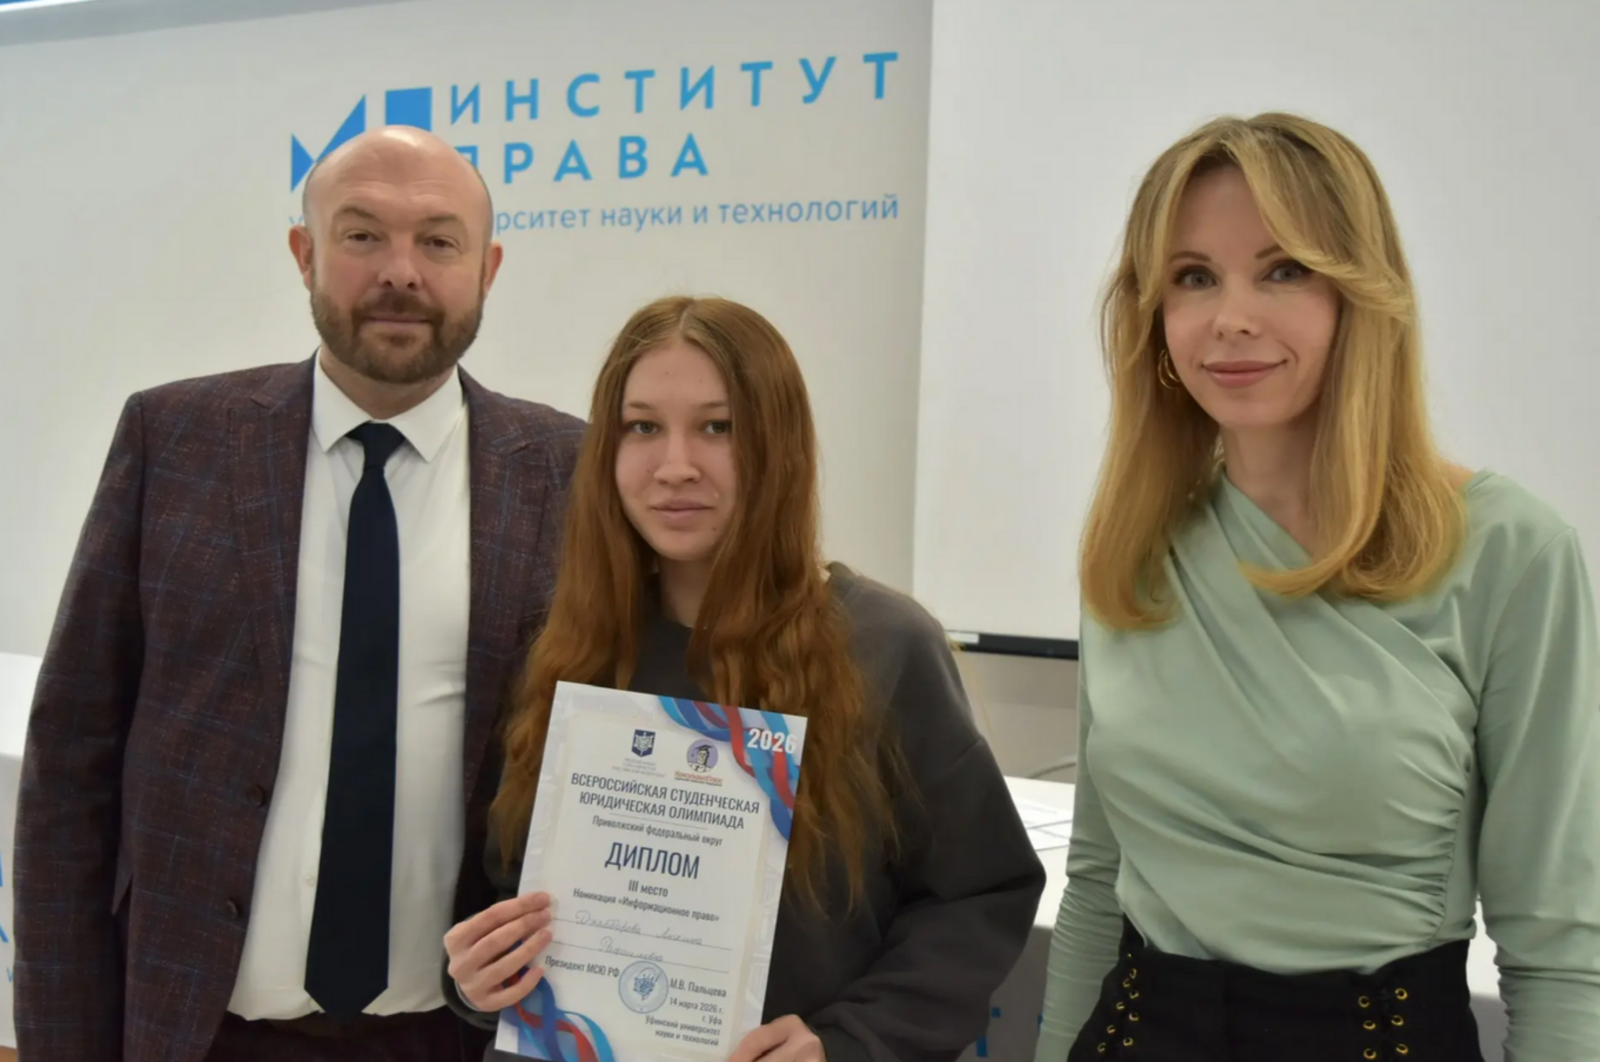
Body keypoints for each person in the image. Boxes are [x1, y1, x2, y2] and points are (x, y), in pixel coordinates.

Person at [1033, 112, 1600, 1062]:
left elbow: (1560, 947)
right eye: (1193, 277)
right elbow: (1097, 881)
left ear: (1359, 296)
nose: (1231, 317)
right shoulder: (1136, 546)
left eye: (1284, 269)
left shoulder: (1512, 553)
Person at [14, 126, 584, 1062]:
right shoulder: (174, 439)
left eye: (439, 241)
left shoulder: (570, 470)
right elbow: (71, 765)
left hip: (456, 1040)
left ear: (488, 269)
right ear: (304, 254)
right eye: (362, 235)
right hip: (199, 1032)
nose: (400, 271)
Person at [440, 295, 1046, 1062]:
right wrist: (480, 978)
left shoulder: (884, 648)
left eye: (718, 427)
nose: (676, 466)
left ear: (778, 446)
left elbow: (976, 896)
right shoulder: (565, 649)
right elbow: (507, 893)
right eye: (642, 427)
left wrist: (847, 1043)